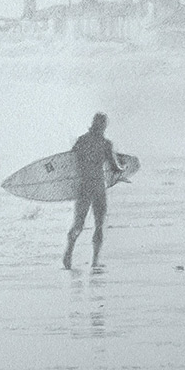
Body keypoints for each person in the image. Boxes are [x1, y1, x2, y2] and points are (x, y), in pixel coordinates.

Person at [63, 112, 123, 269]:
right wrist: (122, 168)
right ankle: (95, 261)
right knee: (99, 223)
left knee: (78, 223)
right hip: (97, 187)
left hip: (83, 187)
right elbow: (114, 167)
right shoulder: (105, 144)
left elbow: (70, 162)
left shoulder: (81, 141)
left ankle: (68, 252)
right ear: (103, 125)